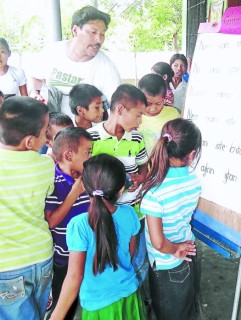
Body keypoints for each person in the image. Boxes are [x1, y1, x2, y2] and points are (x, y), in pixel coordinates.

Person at [49, 154, 147, 320]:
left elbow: (74, 276)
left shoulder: (79, 224)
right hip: (129, 295)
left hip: (98, 305)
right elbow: (130, 253)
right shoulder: (130, 213)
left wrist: (56, 316)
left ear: (84, 188)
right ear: (121, 189)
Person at [140, 118, 202, 320]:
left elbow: (158, 242)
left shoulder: (154, 192)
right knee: (186, 306)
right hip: (189, 249)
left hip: (169, 262)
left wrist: (175, 249)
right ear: (191, 155)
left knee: (169, 313)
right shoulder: (194, 182)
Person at [0, 96, 55, 319]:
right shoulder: (46, 165)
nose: (48, 136)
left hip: (7, 265)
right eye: (45, 132)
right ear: (30, 142)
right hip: (42, 257)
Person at [31, 6, 121, 115]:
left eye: (102, 34)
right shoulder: (51, 52)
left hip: (86, 130)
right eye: (93, 32)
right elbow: (37, 77)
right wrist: (36, 93)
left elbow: (116, 106)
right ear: (75, 30)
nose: (99, 39)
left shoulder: (107, 68)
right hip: (50, 125)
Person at [45, 127, 93, 318]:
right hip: (64, 259)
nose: (90, 157)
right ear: (68, 155)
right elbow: (51, 221)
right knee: (63, 303)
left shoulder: (85, 177)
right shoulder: (54, 182)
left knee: (82, 301)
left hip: (87, 253)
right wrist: (74, 193)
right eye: (87, 152)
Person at [88, 84, 148, 194]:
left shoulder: (137, 138)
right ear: (120, 109)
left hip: (130, 204)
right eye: (138, 115)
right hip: (101, 207)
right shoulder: (89, 138)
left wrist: (141, 178)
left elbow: (143, 165)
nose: (140, 122)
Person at [138, 73, 180, 155]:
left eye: (158, 103)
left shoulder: (173, 115)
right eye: (148, 104)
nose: (153, 109)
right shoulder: (135, 116)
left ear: (164, 98)